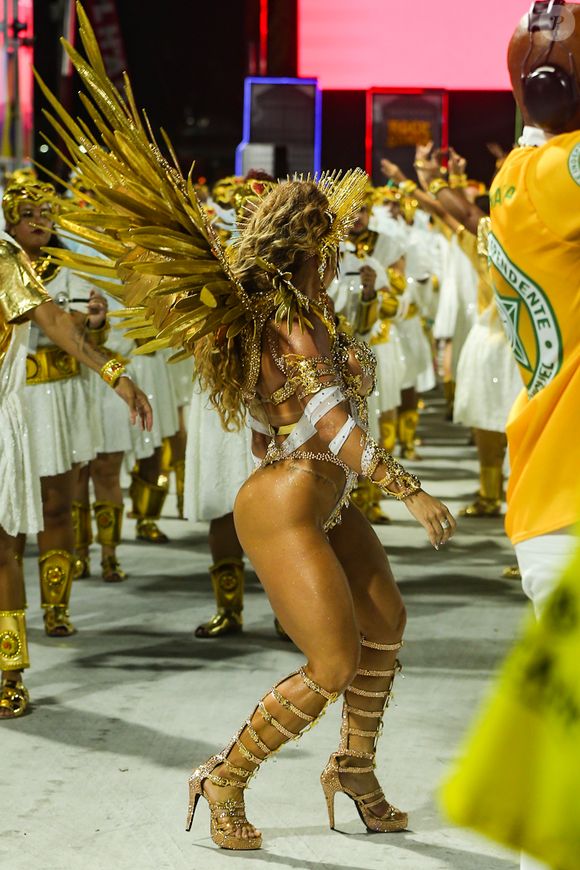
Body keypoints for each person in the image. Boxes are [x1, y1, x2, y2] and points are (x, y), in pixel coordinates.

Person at [37, 15, 457, 849]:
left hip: (327, 499)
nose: (338, 256)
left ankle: (355, 768)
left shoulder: (315, 311)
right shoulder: (283, 325)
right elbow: (332, 426)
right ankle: (223, 776)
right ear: (304, 249)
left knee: (389, 626)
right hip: (288, 501)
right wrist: (411, 492)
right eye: (329, 245)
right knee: (332, 664)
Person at [0, 225, 152, 718]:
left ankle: (10, 674)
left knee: (2, 550)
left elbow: (57, 324)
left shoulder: (3, 257)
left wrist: (115, 374)